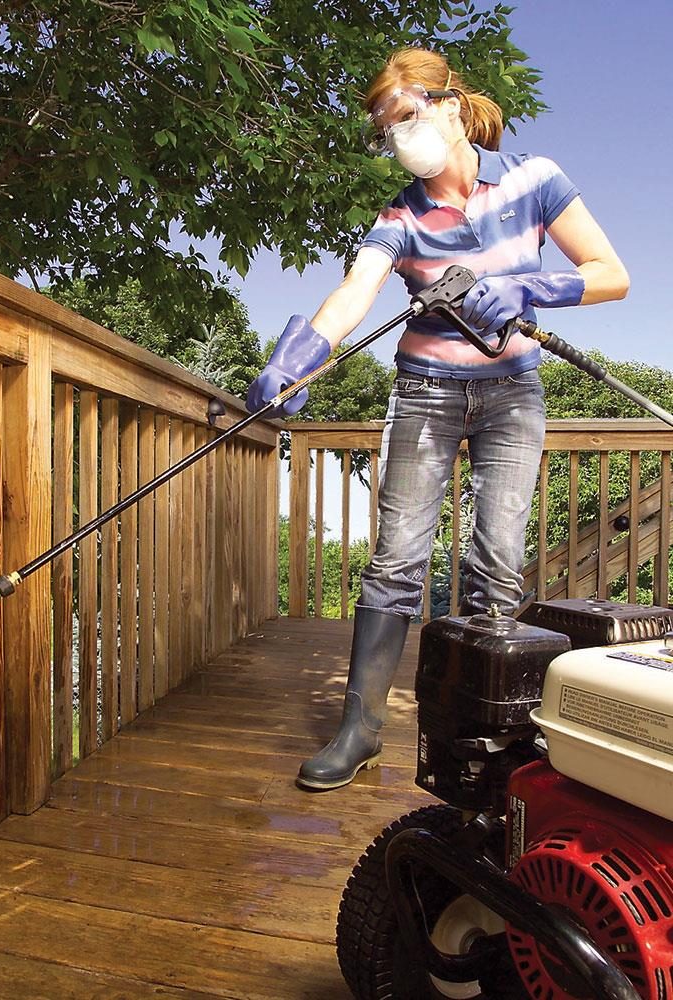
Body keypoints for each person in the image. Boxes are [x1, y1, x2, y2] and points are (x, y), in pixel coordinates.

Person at [247, 48, 629, 792]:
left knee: (495, 557)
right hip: (425, 390)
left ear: (451, 107)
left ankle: (488, 733)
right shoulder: (401, 216)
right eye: (386, 131)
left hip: (512, 390)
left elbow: (611, 273)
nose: (400, 140)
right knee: (396, 561)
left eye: (408, 119)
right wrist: (299, 356)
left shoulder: (533, 179)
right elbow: (355, 291)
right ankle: (359, 730)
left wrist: (528, 286)